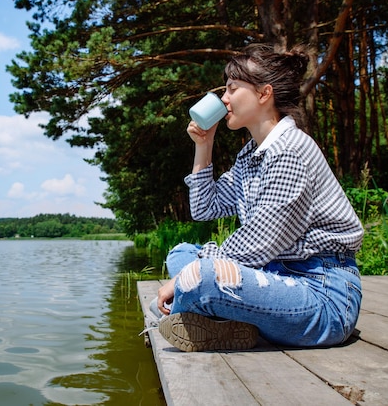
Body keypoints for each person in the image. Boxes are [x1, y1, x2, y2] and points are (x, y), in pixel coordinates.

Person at [152, 43, 364, 352]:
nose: (224, 99)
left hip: (323, 297)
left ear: (264, 94)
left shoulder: (290, 149)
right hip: (273, 276)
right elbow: (204, 207)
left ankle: (204, 310)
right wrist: (203, 146)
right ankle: (224, 319)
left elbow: (259, 240)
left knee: (201, 274)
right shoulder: (251, 156)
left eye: (232, 88)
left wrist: (186, 279)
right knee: (180, 253)